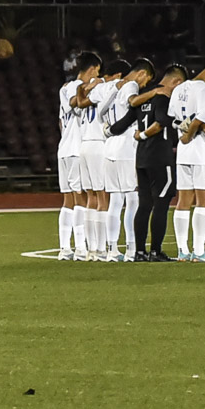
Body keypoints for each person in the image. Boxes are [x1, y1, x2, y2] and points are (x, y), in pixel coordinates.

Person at [169, 58, 205, 261]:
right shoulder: (204, 90)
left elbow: (174, 119)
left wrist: (184, 134)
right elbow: (201, 117)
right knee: (203, 201)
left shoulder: (179, 88)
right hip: (200, 152)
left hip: (183, 154)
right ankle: (199, 250)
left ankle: (182, 250)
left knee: (183, 201)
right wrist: (190, 135)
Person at [125, 64, 185, 260]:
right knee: (161, 203)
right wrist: (145, 134)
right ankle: (155, 251)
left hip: (142, 157)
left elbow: (127, 115)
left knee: (144, 205)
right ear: (176, 82)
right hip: (160, 157)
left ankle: (139, 252)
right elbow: (160, 122)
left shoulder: (144, 95)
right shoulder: (163, 97)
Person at [100, 57, 154, 257]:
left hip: (110, 145)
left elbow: (100, 111)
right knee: (132, 199)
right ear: (141, 73)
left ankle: (112, 249)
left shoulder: (113, 86)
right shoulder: (131, 85)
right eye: (146, 79)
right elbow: (132, 102)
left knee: (115, 200)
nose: (145, 84)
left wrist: (109, 129)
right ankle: (131, 247)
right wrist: (151, 94)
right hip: (126, 146)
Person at [73, 58, 125, 259]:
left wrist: (83, 88)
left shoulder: (91, 89)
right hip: (98, 143)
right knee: (103, 197)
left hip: (84, 145)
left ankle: (91, 249)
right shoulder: (106, 87)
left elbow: (80, 104)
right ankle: (102, 249)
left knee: (91, 197)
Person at [55, 51, 100, 259]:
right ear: (91, 69)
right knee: (80, 197)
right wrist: (89, 87)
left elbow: (61, 120)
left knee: (68, 200)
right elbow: (75, 101)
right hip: (74, 149)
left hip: (64, 148)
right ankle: (81, 247)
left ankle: (65, 248)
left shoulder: (63, 88)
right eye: (97, 71)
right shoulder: (74, 87)